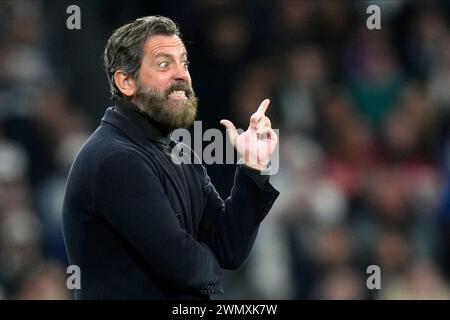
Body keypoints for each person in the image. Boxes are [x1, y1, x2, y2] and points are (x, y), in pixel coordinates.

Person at [62, 15, 280, 300]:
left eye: (184, 62)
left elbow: (228, 247)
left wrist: (253, 166)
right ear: (126, 82)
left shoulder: (180, 154)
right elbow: (183, 265)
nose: (182, 75)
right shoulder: (114, 158)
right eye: (165, 64)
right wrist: (206, 262)